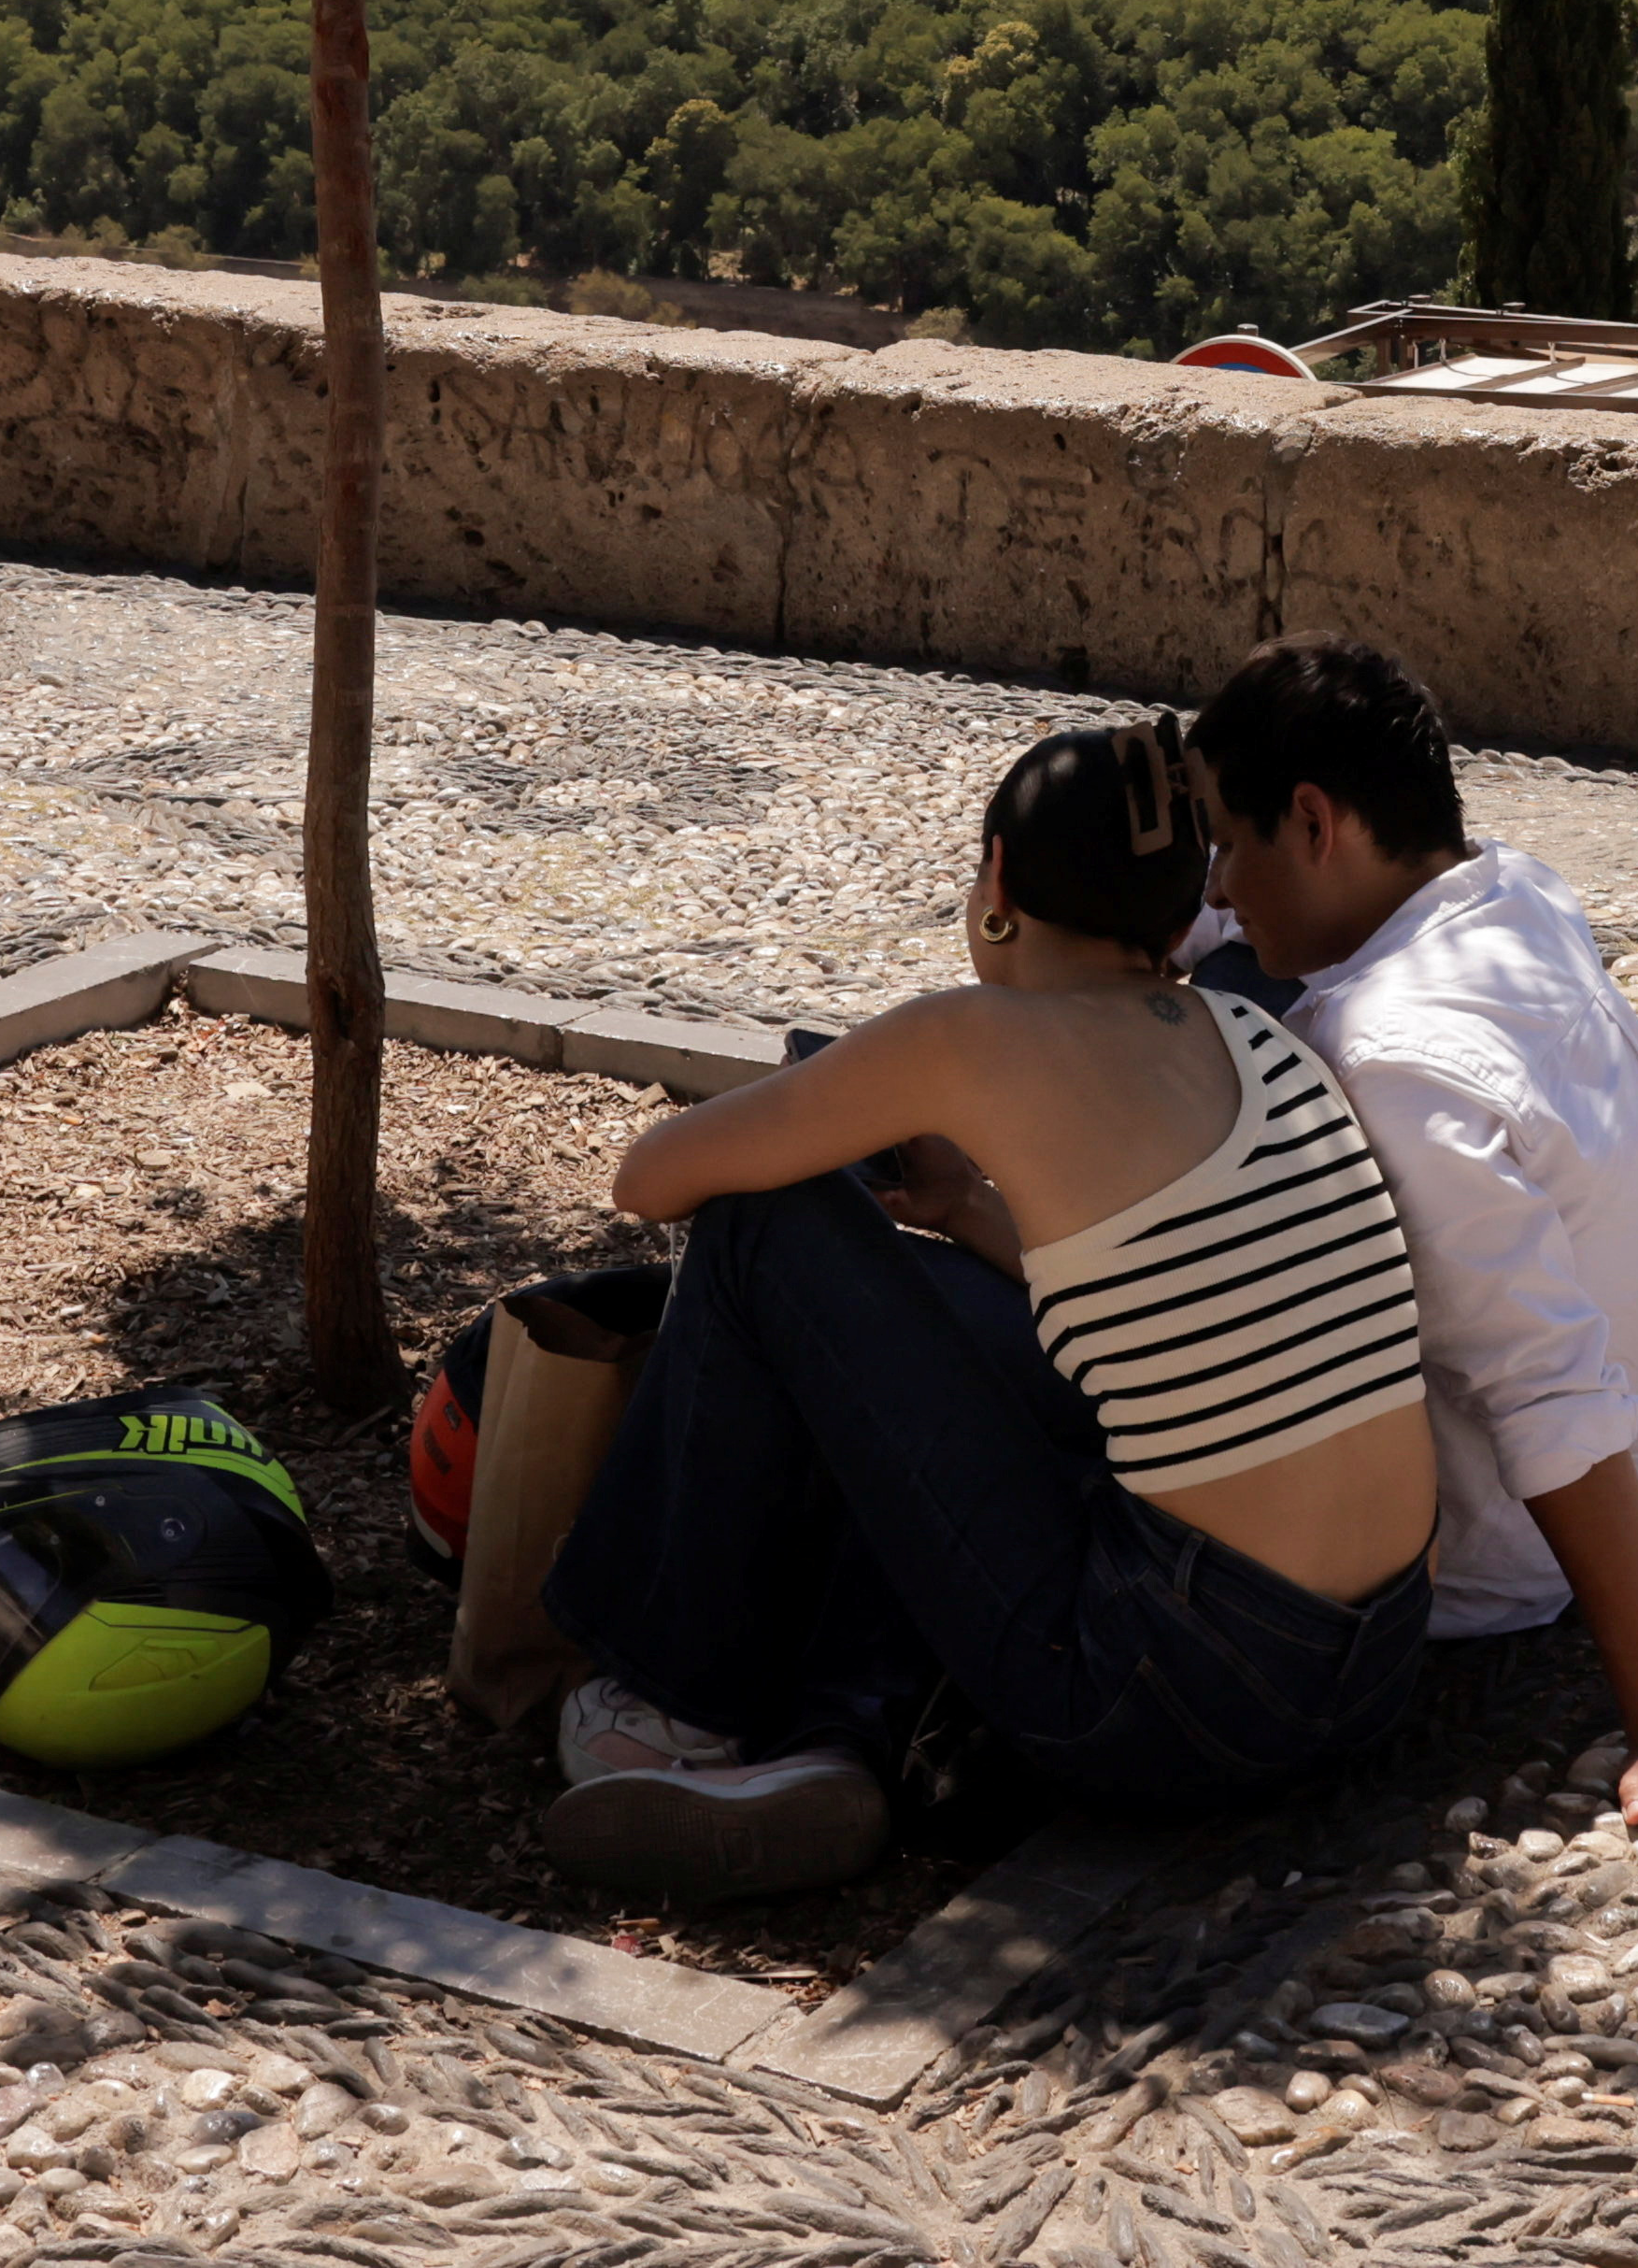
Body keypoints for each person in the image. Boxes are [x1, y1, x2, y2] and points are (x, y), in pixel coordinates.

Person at [534, 716, 1444, 1897]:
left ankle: (669, 1704)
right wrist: (963, 1204)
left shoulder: (967, 1035)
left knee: (766, 1222)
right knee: (955, 1325)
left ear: (998, 883)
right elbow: (1156, 1307)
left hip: (1157, 1692)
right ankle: (839, 1733)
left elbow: (650, 1176)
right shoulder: (1255, 1034)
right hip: (1371, 1665)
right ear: (1181, 916)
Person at [1191, 635, 1638, 1855]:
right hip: (1513, 1493)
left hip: (1469, 1562)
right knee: (1219, 978)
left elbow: (1546, 1384)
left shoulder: (1388, 1065)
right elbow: (1222, 943)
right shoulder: (1515, 895)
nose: (1217, 881)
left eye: (1228, 840)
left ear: (1314, 820)